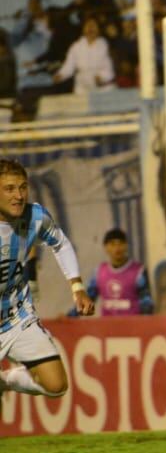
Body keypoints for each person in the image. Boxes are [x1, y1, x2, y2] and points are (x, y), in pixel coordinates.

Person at [0, 159, 95, 407]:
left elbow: (60, 243)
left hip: (15, 319)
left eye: (22, 187)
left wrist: (77, 288)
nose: (19, 195)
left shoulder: (36, 217)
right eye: (9, 189)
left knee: (56, 385)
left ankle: (5, 381)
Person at [84, 228, 153, 316]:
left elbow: (146, 303)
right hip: (107, 327)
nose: (117, 248)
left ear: (126, 246)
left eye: (120, 243)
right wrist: (69, 317)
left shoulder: (139, 271)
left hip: (133, 326)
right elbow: (86, 301)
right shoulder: (99, 272)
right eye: (112, 244)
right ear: (106, 247)